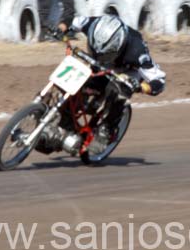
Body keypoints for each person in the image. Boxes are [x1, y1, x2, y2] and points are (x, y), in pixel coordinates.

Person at [70, 14, 166, 153]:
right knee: (83, 80)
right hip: (103, 64)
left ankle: (106, 130)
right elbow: (75, 21)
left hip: (129, 71)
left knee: (120, 91)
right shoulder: (93, 25)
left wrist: (141, 87)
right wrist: (63, 30)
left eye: (105, 53)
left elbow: (159, 81)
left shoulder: (138, 52)